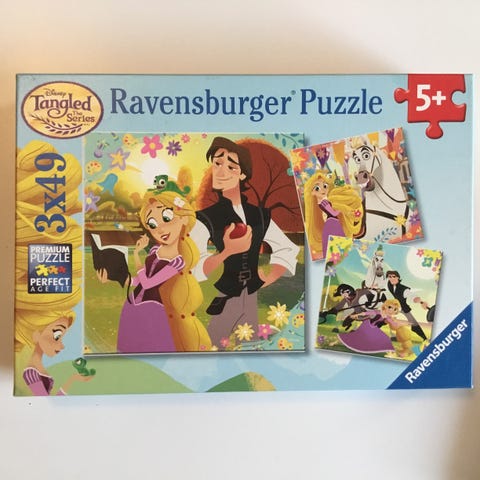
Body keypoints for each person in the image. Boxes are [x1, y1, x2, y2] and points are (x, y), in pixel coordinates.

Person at [192, 136, 299, 349]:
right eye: (217, 163)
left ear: (242, 174)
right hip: (227, 295)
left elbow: (287, 248)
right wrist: (226, 252)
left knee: (248, 345)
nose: (221, 171)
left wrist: (269, 276)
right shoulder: (206, 218)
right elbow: (194, 265)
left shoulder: (259, 215)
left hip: (251, 294)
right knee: (211, 345)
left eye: (231, 167)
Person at [97, 187, 211, 353]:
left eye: (167, 218)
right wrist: (113, 278)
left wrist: (136, 255)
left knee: (154, 349)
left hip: (154, 310)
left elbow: (149, 283)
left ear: (184, 219)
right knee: (129, 351)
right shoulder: (155, 250)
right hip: (133, 305)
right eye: (152, 224)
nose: (160, 229)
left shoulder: (178, 261)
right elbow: (138, 281)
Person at [18, 311, 93, 395]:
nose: (62, 346)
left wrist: (73, 378)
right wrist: (72, 379)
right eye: (57, 336)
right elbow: (45, 400)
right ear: (36, 335)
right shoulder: (31, 373)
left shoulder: (37, 366)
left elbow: (50, 399)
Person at [303, 171, 363, 259]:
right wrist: (342, 209)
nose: (323, 190)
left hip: (332, 223)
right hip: (332, 223)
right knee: (339, 247)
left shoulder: (325, 201)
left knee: (337, 247)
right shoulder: (325, 203)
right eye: (317, 188)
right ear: (312, 192)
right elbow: (333, 213)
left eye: (324, 186)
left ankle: (338, 259)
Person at [386, 270, 427, 341]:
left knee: (414, 324)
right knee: (389, 318)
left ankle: (424, 338)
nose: (392, 278)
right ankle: (394, 336)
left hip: (404, 307)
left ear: (398, 277)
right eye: (390, 277)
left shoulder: (404, 289)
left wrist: (421, 301)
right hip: (396, 306)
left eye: (394, 276)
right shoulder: (389, 284)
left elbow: (412, 296)